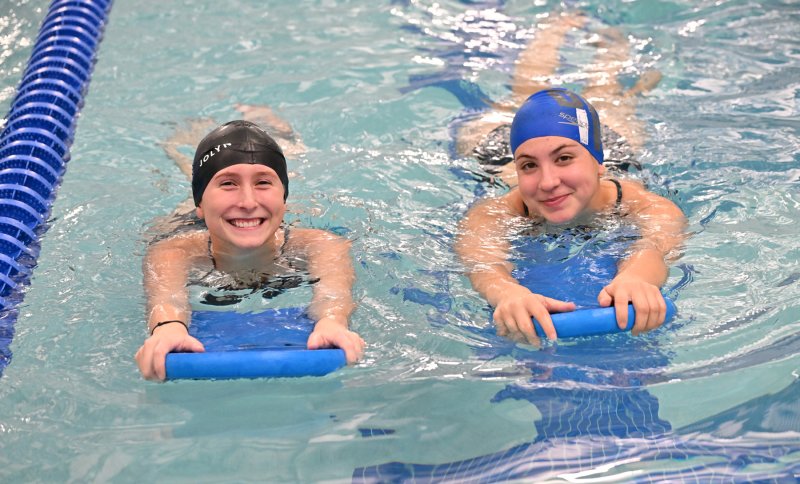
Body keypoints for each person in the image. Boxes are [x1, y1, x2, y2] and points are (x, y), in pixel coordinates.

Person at [454, 15, 686, 346]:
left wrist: (636, 277)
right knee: (524, 94)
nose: (548, 182)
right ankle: (555, 27)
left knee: (608, 92)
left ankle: (610, 40)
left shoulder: (645, 205)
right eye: (529, 166)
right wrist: (506, 293)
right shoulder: (495, 213)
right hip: (495, 149)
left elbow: (653, 246)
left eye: (564, 159)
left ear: (597, 162)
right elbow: (483, 265)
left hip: (614, 145)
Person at [136, 117, 365, 381]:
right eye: (228, 183)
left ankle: (281, 134)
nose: (248, 202)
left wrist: (332, 323)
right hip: (191, 223)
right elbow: (167, 300)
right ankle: (184, 153)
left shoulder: (320, 245)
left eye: (264, 183)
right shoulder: (175, 250)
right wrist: (167, 329)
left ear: (284, 199)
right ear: (201, 203)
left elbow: (333, 297)